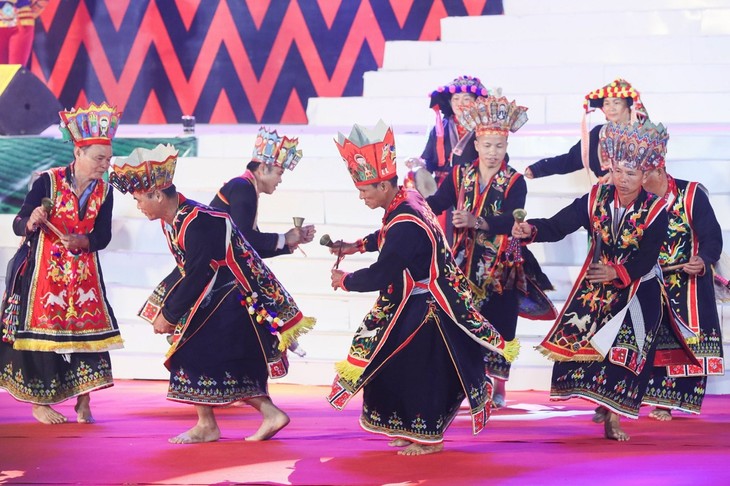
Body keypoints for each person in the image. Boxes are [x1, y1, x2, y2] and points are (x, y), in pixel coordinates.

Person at [327, 121, 518, 456]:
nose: (361, 196)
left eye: (365, 190)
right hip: (419, 304)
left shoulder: (405, 220)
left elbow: (382, 272)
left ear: (384, 186)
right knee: (394, 368)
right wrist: (356, 245)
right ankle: (409, 430)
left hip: (426, 310)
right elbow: (386, 236)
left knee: (417, 373)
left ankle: (429, 438)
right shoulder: (407, 199)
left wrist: (345, 280)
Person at [110, 144, 315, 444]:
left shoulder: (197, 221)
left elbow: (198, 274)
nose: (138, 206)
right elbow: (192, 270)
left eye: (139, 199)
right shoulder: (177, 220)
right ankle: (226, 421)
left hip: (233, 296)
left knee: (194, 351)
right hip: (221, 294)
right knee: (213, 357)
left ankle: (228, 421)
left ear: (157, 195)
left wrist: (169, 315)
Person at [512, 120, 696, 441]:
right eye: (618, 171)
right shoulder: (595, 197)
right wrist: (532, 230)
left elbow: (648, 257)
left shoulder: (656, 209)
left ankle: (614, 416)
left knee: (627, 351)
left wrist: (617, 272)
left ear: (645, 176)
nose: (623, 179)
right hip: (598, 288)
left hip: (640, 288)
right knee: (592, 348)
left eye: (631, 174)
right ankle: (604, 403)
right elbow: (560, 225)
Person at [426, 92, 555, 408]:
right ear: (477, 144)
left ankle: (499, 385)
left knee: (501, 323)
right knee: (464, 318)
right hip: (464, 261)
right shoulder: (460, 175)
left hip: (502, 265)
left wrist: (477, 221)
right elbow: (438, 202)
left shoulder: (515, 181)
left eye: (499, 146)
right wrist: (411, 205)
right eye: (487, 146)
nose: (493, 152)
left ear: (506, 146)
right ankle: (472, 380)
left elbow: (511, 219)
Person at [0, 102, 123, 424]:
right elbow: (18, 223)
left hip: (83, 274)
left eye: (108, 159)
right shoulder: (47, 182)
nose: (105, 165)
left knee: (88, 332)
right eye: (99, 159)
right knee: (42, 335)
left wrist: (84, 242)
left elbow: (103, 236)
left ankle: (84, 399)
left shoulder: (105, 191)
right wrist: (32, 220)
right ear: (78, 153)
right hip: (42, 273)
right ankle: (40, 402)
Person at [640, 162, 724, 420]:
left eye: (643, 174)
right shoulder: (637, 199)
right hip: (650, 281)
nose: (638, 180)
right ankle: (640, 397)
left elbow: (712, 237)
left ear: (659, 170)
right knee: (648, 338)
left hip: (689, 282)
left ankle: (666, 403)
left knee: (685, 343)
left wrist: (703, 259)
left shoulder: (692, 194)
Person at [209, 126, 315, 258]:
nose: (280, 180)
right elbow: (244, 239)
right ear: (263, 168)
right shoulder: (243, 187)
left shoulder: (245, 186)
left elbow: (251, 248)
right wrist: (285, 238)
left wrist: (289, 243)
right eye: (279, 173)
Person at [524, 78, 648, 182]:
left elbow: (650, 170)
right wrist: (538, 169)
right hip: (605, 194)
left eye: (616, 103)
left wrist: (617, 178)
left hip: (637, 196)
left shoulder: (643, 134)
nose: (611, 108)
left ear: (628, 106)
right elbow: (571, 160)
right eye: (607, 104)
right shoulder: (598, 134)